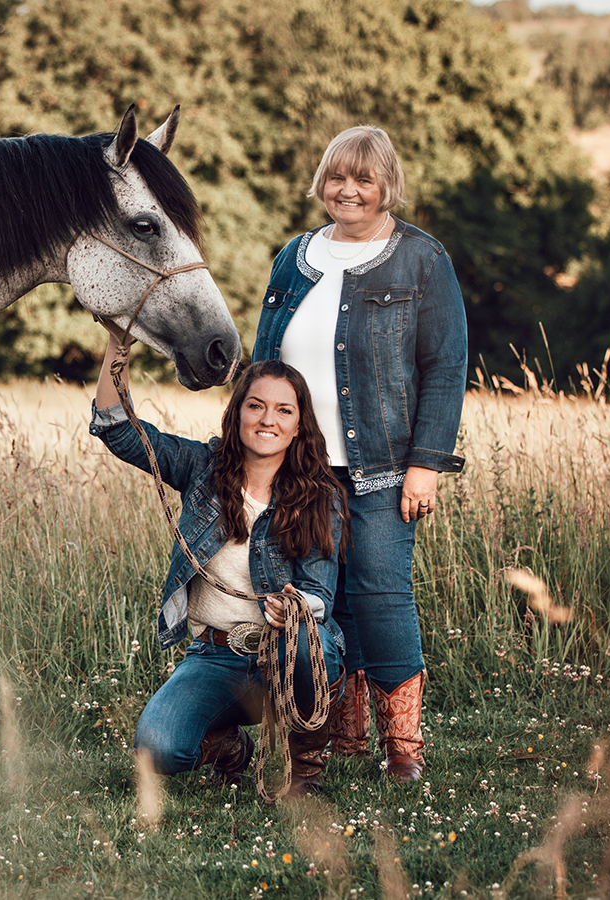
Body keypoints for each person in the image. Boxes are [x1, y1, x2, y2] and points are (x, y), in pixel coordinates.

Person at [252, 125, 468, 782]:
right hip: (303, 469)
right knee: (325, 598)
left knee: (380, 593)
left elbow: (445, 367)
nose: (347, 190)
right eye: (337, 177)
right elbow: (264, 363)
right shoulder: (294, 257)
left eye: (363, 179)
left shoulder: (421, 259)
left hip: (385, 467)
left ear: (386, 186)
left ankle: (403, 748)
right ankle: (343, 736)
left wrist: (426, 464)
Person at [90, 332, 347, 798]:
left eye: (284, 411)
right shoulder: (201, 466)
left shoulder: (319, 495)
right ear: (237, 413)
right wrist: (117, 347)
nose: (267, 419)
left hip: (285, 656)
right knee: (158, 749)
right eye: (256, 406)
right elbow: (119, 430)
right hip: (216, 656)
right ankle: (232, 748)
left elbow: (320, 594)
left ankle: (304, 770)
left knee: (310, 646)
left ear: (298, 426)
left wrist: (295, 609)